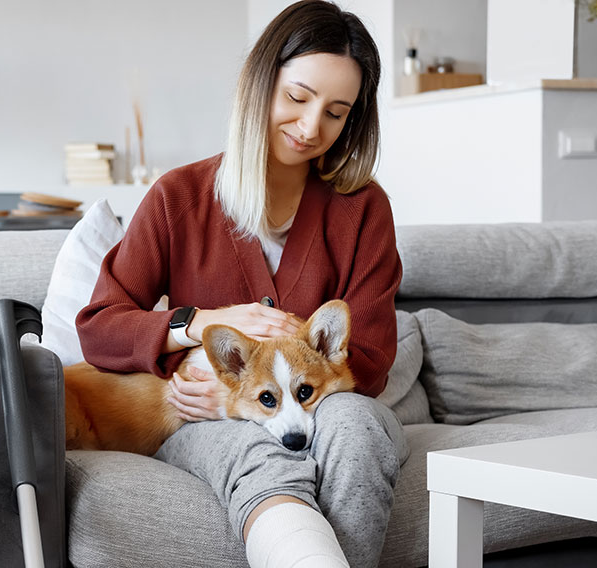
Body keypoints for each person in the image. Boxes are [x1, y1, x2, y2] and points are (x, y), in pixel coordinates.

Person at [75, 2, 408, 567]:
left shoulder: (363, 209)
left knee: (353, 426)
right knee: (254, 447)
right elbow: (99, 329)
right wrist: (200, 325)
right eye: (298, 98)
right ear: (260, 83)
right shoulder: (177, 197)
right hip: (198, 418)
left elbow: (370, 362)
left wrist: (243, 399)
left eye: (336, 112)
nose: (310, 128)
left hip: (333, 411)